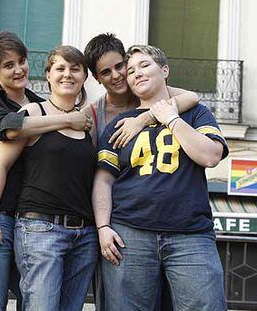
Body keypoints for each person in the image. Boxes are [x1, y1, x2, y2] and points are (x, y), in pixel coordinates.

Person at [93, 44, 228, 310]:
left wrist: (171, 118)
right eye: (131, 71)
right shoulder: (119, 125)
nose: (136, 74)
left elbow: (210, 156)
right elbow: (103, 180)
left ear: (165, 70)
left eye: (144, 66)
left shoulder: (195, 112)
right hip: (129, 233)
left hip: (190, 235)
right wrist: (103, 228)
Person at [0, 32, 91, 311]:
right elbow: (11, 128)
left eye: (21, 61)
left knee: (33, 299)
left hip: (27, 213)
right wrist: (69, 118)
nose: (18, 69)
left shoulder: (36, 102)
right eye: (8, 65)